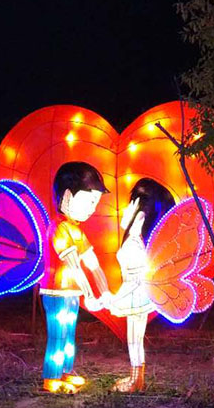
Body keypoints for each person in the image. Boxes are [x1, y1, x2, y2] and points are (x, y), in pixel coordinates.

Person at [39, 161, 112, 394]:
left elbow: (93, 264)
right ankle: (51, 377)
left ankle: (66, 371)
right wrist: (90, 295)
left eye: (95, 203)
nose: (92, 208)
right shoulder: (59, 228)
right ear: (68, 195)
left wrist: (106, 292)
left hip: (71, 293)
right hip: (56, 292)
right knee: (58, 334)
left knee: (69, 334)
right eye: (89, 201)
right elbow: (74, 266)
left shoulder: (77, 231)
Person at [105, 178, 175, 393]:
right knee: (134, 336)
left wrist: (117, 297)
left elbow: (135, 272)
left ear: (139, 205)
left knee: (134, 337)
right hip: (135, 289)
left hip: (136, 291)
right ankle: (136, 378)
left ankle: (136, 380)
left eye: (132, 201)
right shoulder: (136, 233)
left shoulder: (137, 238)